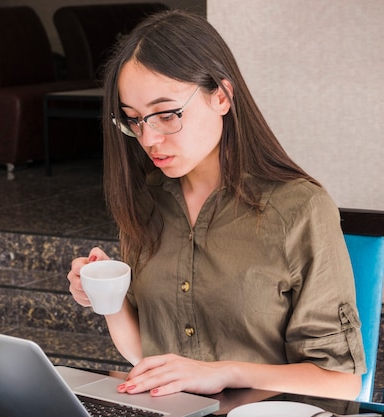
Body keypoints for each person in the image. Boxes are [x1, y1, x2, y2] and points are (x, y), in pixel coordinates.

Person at [67, 9, 365, 401]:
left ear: (221, 96)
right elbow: (148, 355)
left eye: (166, 114)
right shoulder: (147, 201)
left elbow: (341, 382)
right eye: (134, 120)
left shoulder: (300, 209)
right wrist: (107, 295)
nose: (149, 138)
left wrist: (222, 373)